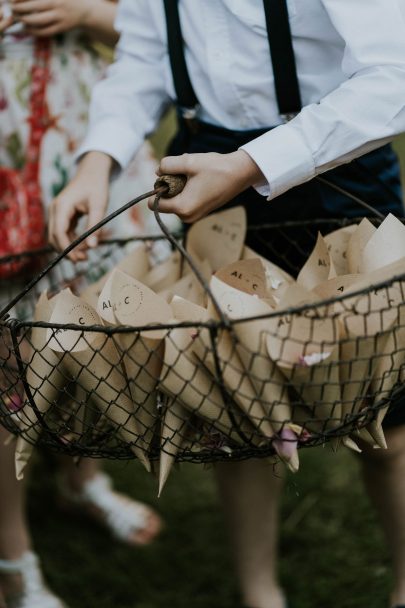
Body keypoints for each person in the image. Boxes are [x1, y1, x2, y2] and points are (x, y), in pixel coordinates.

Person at [48, 1, 405, 607]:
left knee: (389, 419)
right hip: (211, 183)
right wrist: (97, 159)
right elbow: (143, 55)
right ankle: (260, 594)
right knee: (235, 412)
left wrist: (252, 164)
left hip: (337, 168)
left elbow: (394, 73)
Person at [0, 2, 162, 607]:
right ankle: (12, 557)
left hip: (78, 127)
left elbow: (162, 28)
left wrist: (86, 10)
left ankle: (79, 477)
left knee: (82, 327)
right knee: (6, 361)